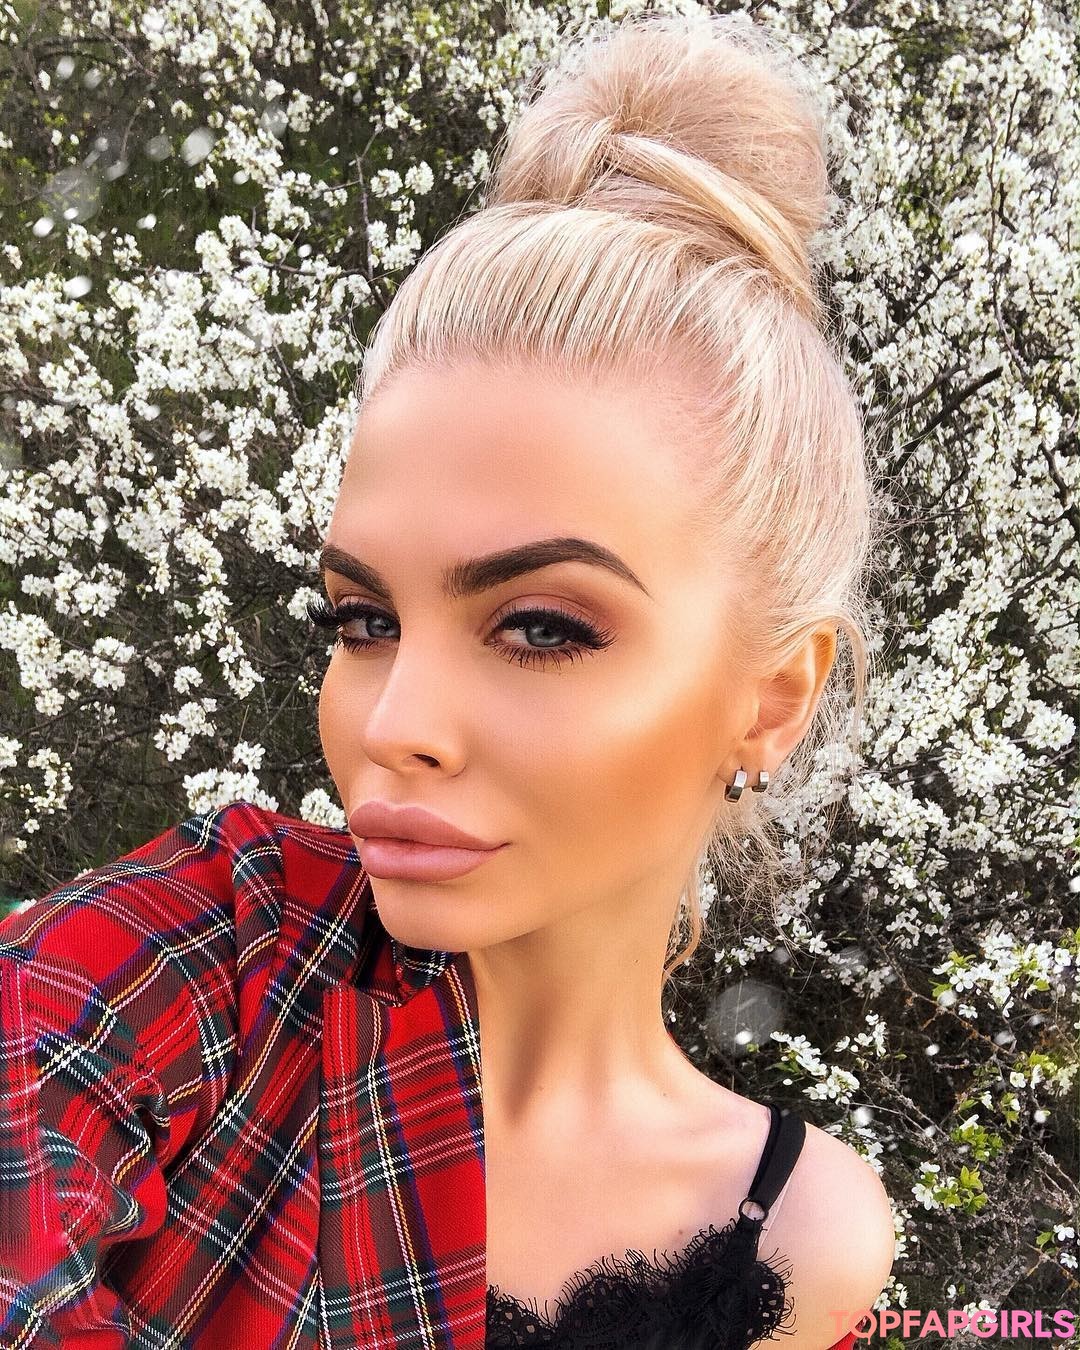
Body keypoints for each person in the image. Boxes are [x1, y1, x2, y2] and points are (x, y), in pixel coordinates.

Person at [0, 9, 895, 1348]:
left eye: (541, 627)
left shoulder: (806, 1238)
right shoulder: (204, 975)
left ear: (772, 697)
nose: (395, 724)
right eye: (363, 619)